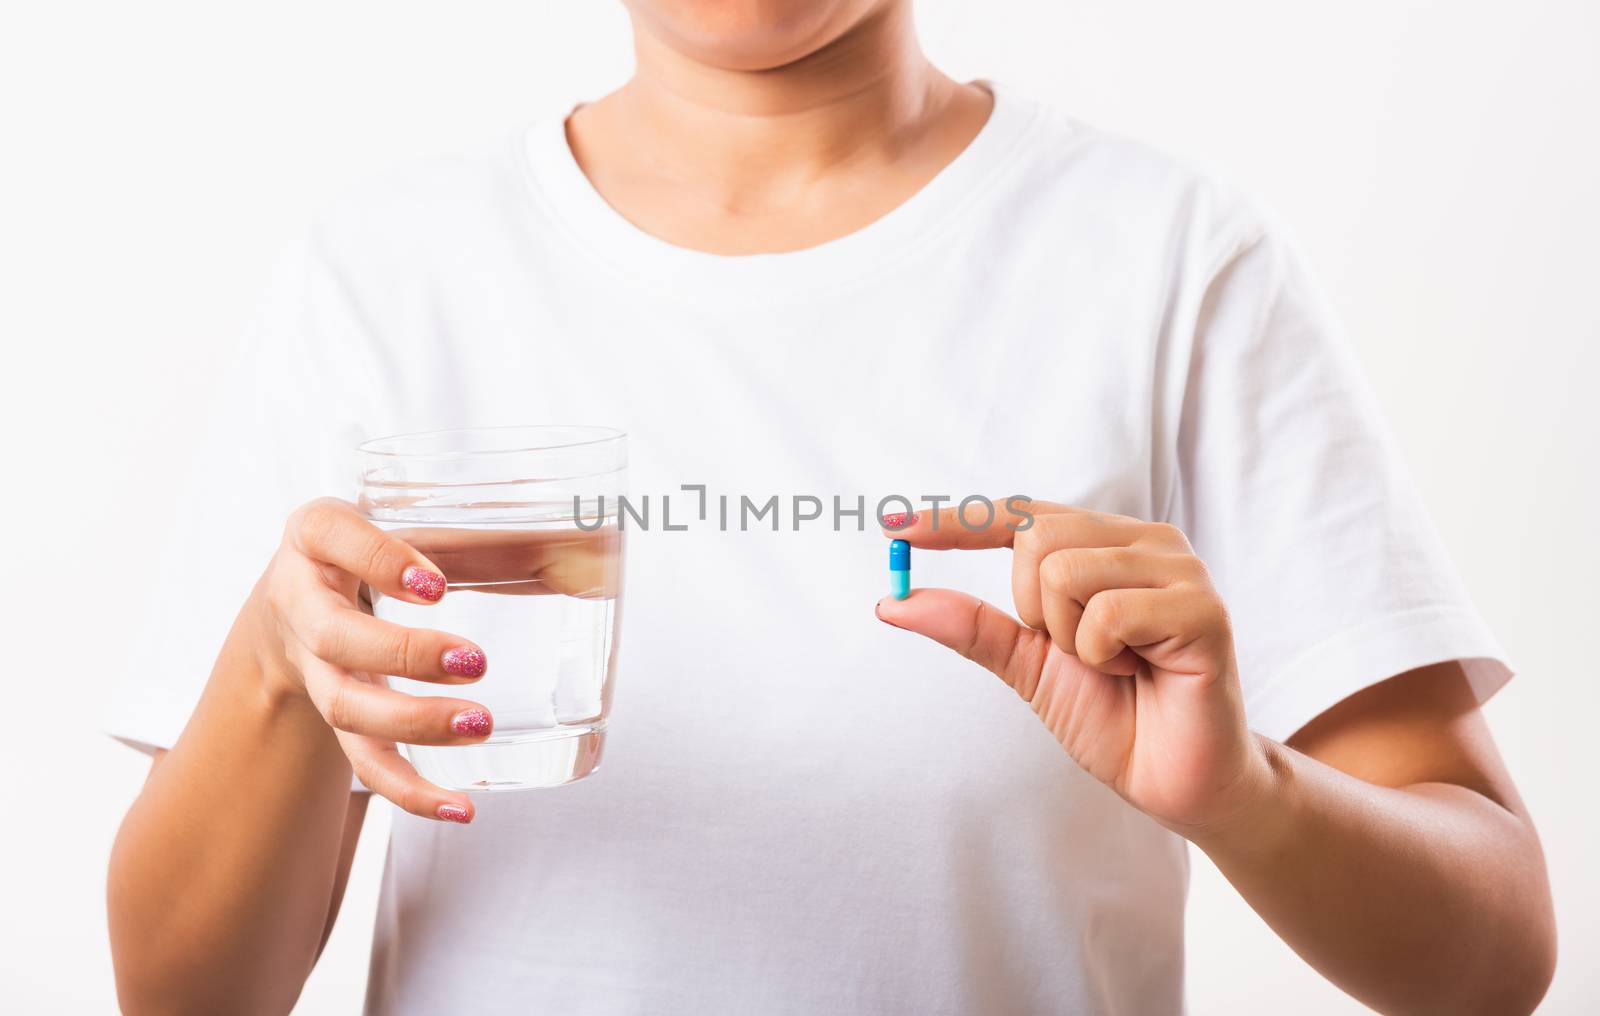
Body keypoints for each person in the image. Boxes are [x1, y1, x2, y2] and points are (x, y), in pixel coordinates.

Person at [105, 2, 1557, 1013]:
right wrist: (273, 670)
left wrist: (1249, 795)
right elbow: (179, 999)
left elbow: (1492, 964)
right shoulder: (390, 275)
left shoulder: (1167, 260)